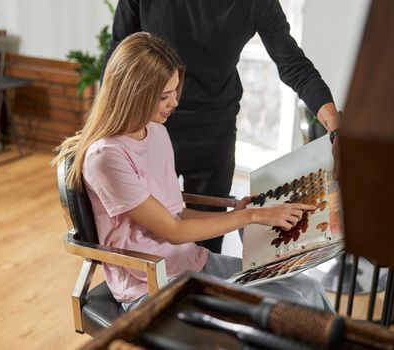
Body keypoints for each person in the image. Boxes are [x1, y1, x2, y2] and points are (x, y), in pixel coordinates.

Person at [55, 32, 332, 312]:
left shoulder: (157, 133)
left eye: (175, 91)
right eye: (164, 96)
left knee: (307, 289)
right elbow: (173, 230)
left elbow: (174, 213)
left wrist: (237, 211)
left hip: (192, 261)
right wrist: (251, 216)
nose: (174, 102)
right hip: (151, 284)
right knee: (285, 310)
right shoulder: (106, 156)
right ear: (134, 94)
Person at [102, 0, 341, 254]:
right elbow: (120, 54)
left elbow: (294, 66)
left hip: (214, 132)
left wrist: (336, 130)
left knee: (207, 246)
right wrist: (106, 125)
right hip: (146, 127)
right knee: (147, 237)